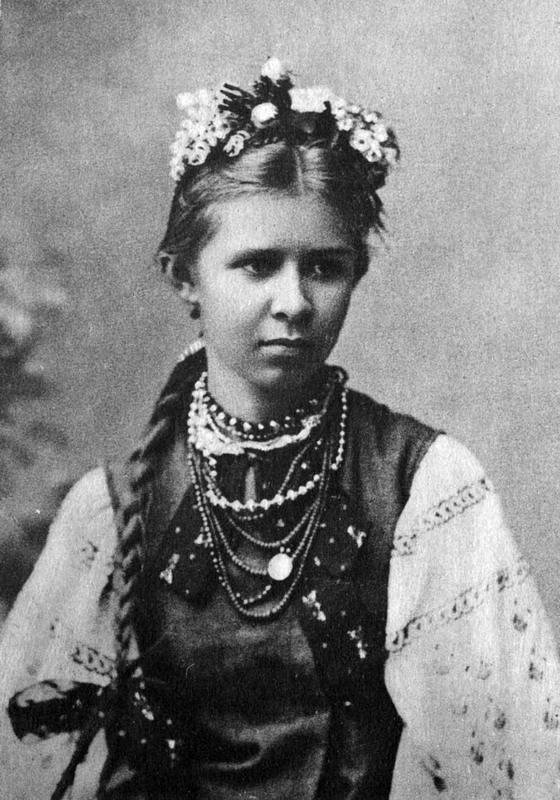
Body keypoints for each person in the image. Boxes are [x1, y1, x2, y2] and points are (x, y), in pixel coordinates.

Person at [0, 57, 559, 800]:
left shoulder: (421, 487)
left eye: (324, 267)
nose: (293, 301)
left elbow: (508, 761)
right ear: (184, 277)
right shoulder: (115, 508)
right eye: (258, 265)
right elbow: (27, 761)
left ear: (356, 274)